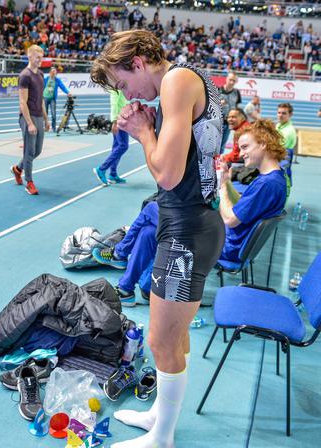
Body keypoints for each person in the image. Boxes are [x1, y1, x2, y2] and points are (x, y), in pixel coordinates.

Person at [90, 29, 224, 447]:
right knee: (175, 338)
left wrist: (143, 133)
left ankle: (162, 437)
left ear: (138, 62)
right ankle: (159, 417)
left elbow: (167, 174)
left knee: (160, 340)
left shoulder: (176, 81)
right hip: (188, 221)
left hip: (188, 229)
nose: (129, 94)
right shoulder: (188, 79)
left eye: (124, 83)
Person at [95, 120, 289, 308]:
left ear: (263, 144)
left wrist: (220, 186)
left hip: (224, 244)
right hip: (226, 238)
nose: (241, 153)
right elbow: (240, 204)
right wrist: (226, 182)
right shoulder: (275, 177)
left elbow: (231, 219)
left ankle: (120, 253)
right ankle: (129, 289)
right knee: (148, 230)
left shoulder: (268, 184)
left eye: (246, 147)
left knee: (152, 208)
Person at [10, 45, 50, 196]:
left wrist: (46, 120)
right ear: (29, 57)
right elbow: (22, 102)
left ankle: (18, 168)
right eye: (37, 57)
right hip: (28, 117)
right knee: (29, 150)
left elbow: (41, 100)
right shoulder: (25, 76)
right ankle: (29, 182)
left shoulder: (40, 74)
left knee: (37, 150)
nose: (40, 60)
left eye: (41, 57)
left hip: (39, 116)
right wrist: (30, 123)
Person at [93, 88, 130, 184]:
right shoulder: (116, 87)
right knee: (123, 146)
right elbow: (114, 103)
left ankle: (113, 174)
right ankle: (101, 169)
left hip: (122, 118)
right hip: (119, 120)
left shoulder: (121, 85)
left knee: (117, 146)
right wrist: (114, 121)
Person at [218, 72, 242, 151]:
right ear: (226, 79)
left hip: (229, 123)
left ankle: (218, 162)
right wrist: (218, 104)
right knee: (214, 143)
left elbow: (237, 107)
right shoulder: (218, 90)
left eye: (234, 81)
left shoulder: (237, 92)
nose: (232, 82)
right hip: (217, 122)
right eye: (230, 80)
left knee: (222, 144)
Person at [42, 67, 70, 132]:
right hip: (45, 98)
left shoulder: (57, 80)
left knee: (53, 114)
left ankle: (54, 128)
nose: (54, 73)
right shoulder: (46, 79)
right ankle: (46, 127)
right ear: (50, 73)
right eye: (53, 72)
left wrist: (68, 92)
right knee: (45, 114)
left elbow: (62, 87)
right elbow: (41, 87)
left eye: (55, 72)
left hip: (52, 99)